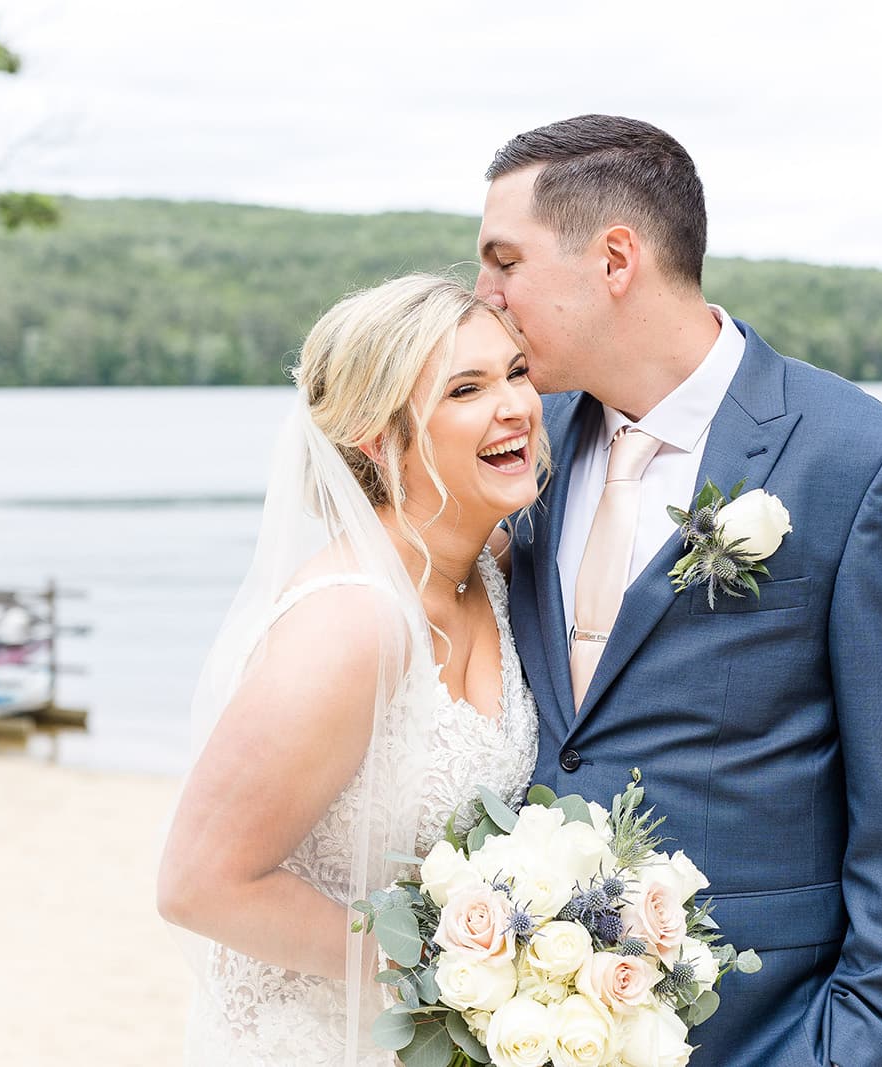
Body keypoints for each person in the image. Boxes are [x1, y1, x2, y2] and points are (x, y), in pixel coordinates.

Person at [475, 115, 882, 1067]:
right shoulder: (518, 444)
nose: (484, 294)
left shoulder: (864, 465)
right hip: (535, 1024)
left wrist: (857, 1052)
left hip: (763, 1035)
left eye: (504, 261)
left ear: (615, 259)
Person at [156, 275, 545, 1066]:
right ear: (377, 437)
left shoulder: (494, 571)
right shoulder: (352, 621)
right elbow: (197, 883)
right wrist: (446, 970)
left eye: (517, 372)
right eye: (465, 389)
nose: (516, 407)